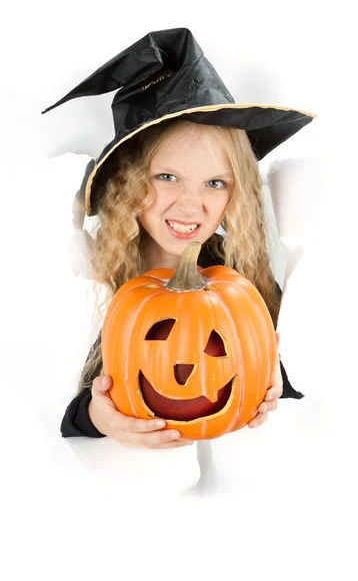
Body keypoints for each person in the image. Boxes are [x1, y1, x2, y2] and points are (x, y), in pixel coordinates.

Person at [41, 27, 315, 449]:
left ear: (236, 191)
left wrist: (273, 372)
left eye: (215, 183)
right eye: (167, 177)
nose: (192, 206)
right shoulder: (101, 273)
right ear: (129, 183)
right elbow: (67, 407)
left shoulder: (235, 268)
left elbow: (268, 371)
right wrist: (99, 415)